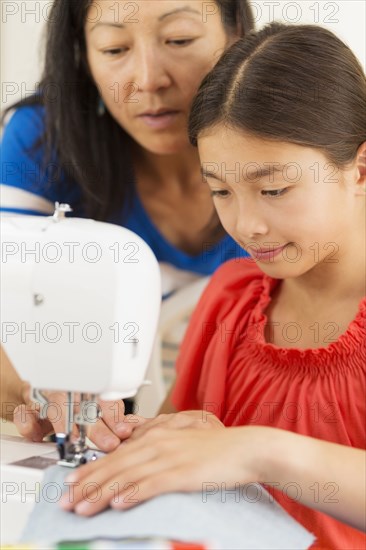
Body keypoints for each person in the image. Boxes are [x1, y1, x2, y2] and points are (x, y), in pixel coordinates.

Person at [60, 22, 366, 550]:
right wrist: (123, 436)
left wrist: (256, 450)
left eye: (274, 188)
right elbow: (170, 451)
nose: (246, 225)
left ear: (359, 168)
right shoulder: (230, 295)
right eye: (220, 191)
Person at [0, 0, 254, 437]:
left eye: (179, 40)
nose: (149, 80)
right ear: (83, 54)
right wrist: (27, 390)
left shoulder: (294, 156)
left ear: (234, 35)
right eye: (116, 49)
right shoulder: (43, 143)